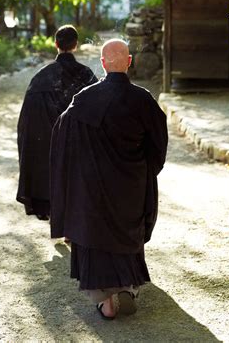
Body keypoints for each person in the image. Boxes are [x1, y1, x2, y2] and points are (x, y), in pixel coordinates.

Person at [50, 39, 168, 319]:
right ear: (129, 62)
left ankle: (106, 300)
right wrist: (142, 171)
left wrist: (78, 177)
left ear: (103, 64)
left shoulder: (84, 99)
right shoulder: (144, 100)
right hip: (131, 186)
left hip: (92, 190)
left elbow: (62, 139)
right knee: (128, 236)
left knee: (95, 237)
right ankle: (128, 286)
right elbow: (158, 148)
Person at [17, 25, 98, 220]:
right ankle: (73, 226)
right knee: (76, 181)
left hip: (49, 143)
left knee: (55, 177)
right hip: (78, 142)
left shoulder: (40, 78)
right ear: (75, 45)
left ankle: (57, 216)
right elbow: (98, 110)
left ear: (56, 44)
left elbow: (26, 121)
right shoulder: (86, 75)